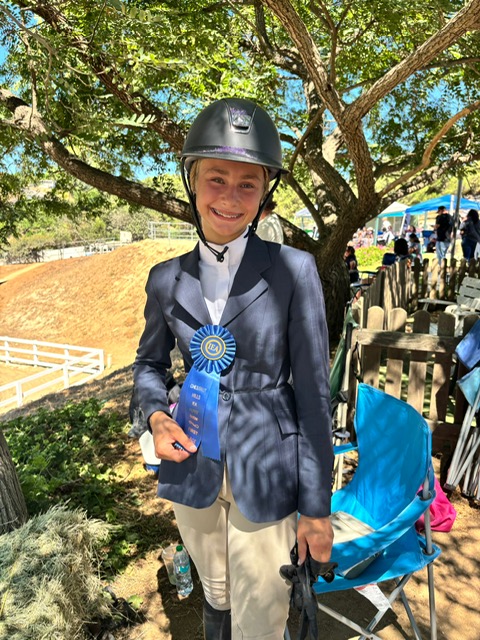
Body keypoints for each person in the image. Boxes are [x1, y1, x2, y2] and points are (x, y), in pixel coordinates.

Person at [133, 98, 334, 639]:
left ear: (265, 194)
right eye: (216, 179)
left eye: (248, 184)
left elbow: (315, 393)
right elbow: (149, 364)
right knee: (217, 596)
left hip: (268, 466)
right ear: (192, 182)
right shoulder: (164, 279)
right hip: (191, 466)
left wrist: (317, 506)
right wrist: (155, 418)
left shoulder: (295, 271)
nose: (230, 196)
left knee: (262, 613)